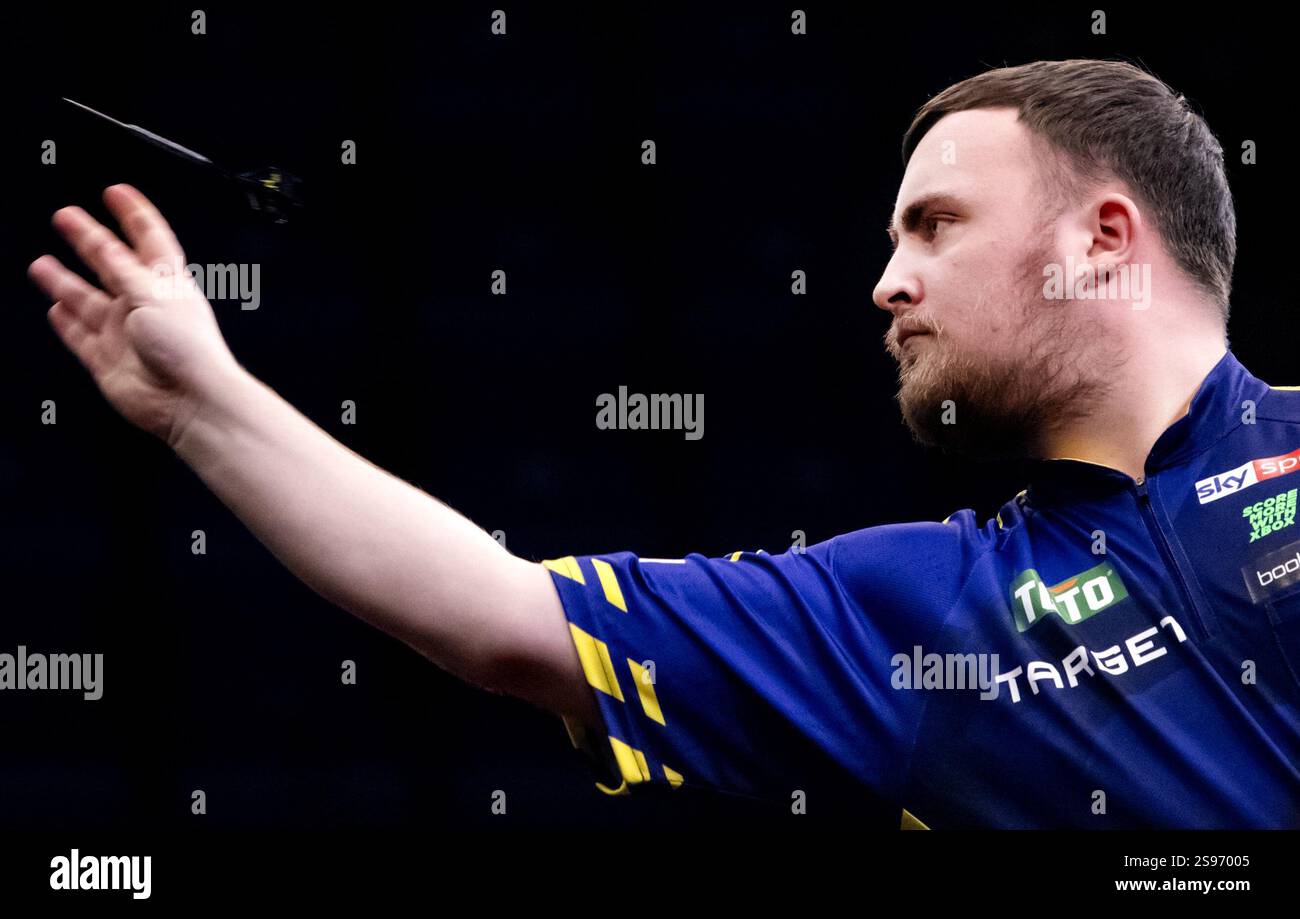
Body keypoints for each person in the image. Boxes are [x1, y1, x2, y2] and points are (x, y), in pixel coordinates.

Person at [27, 59, 1300, 828]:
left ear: (1104, 239)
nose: (883, 282)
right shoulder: (914, 614)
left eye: (935, 225)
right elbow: (509, 621)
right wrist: (205, 403)